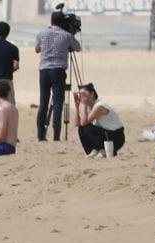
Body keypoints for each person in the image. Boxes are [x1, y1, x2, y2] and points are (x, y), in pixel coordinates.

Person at [34, 12, 79, 142]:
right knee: (58, 103)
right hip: (58, 70)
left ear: (51, 21)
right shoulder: (66, 35)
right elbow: (78, 48)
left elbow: (37, 49)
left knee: (43, 102)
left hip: (44, 70)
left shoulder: (42, 33)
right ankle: (56, 135)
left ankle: (41, 135)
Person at [73, 83, 125, 157]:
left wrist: (84, 104)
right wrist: (76, 106)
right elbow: (77, 124)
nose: (82, 96)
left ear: (92, 94)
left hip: (116, 137)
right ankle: (94, 150)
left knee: (86, 127)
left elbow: (84, 123)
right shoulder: (88, 106)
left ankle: (103, 150)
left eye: (84, 94)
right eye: (80, 94)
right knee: (81, 129)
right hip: (106, 134)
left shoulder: (99, 106)